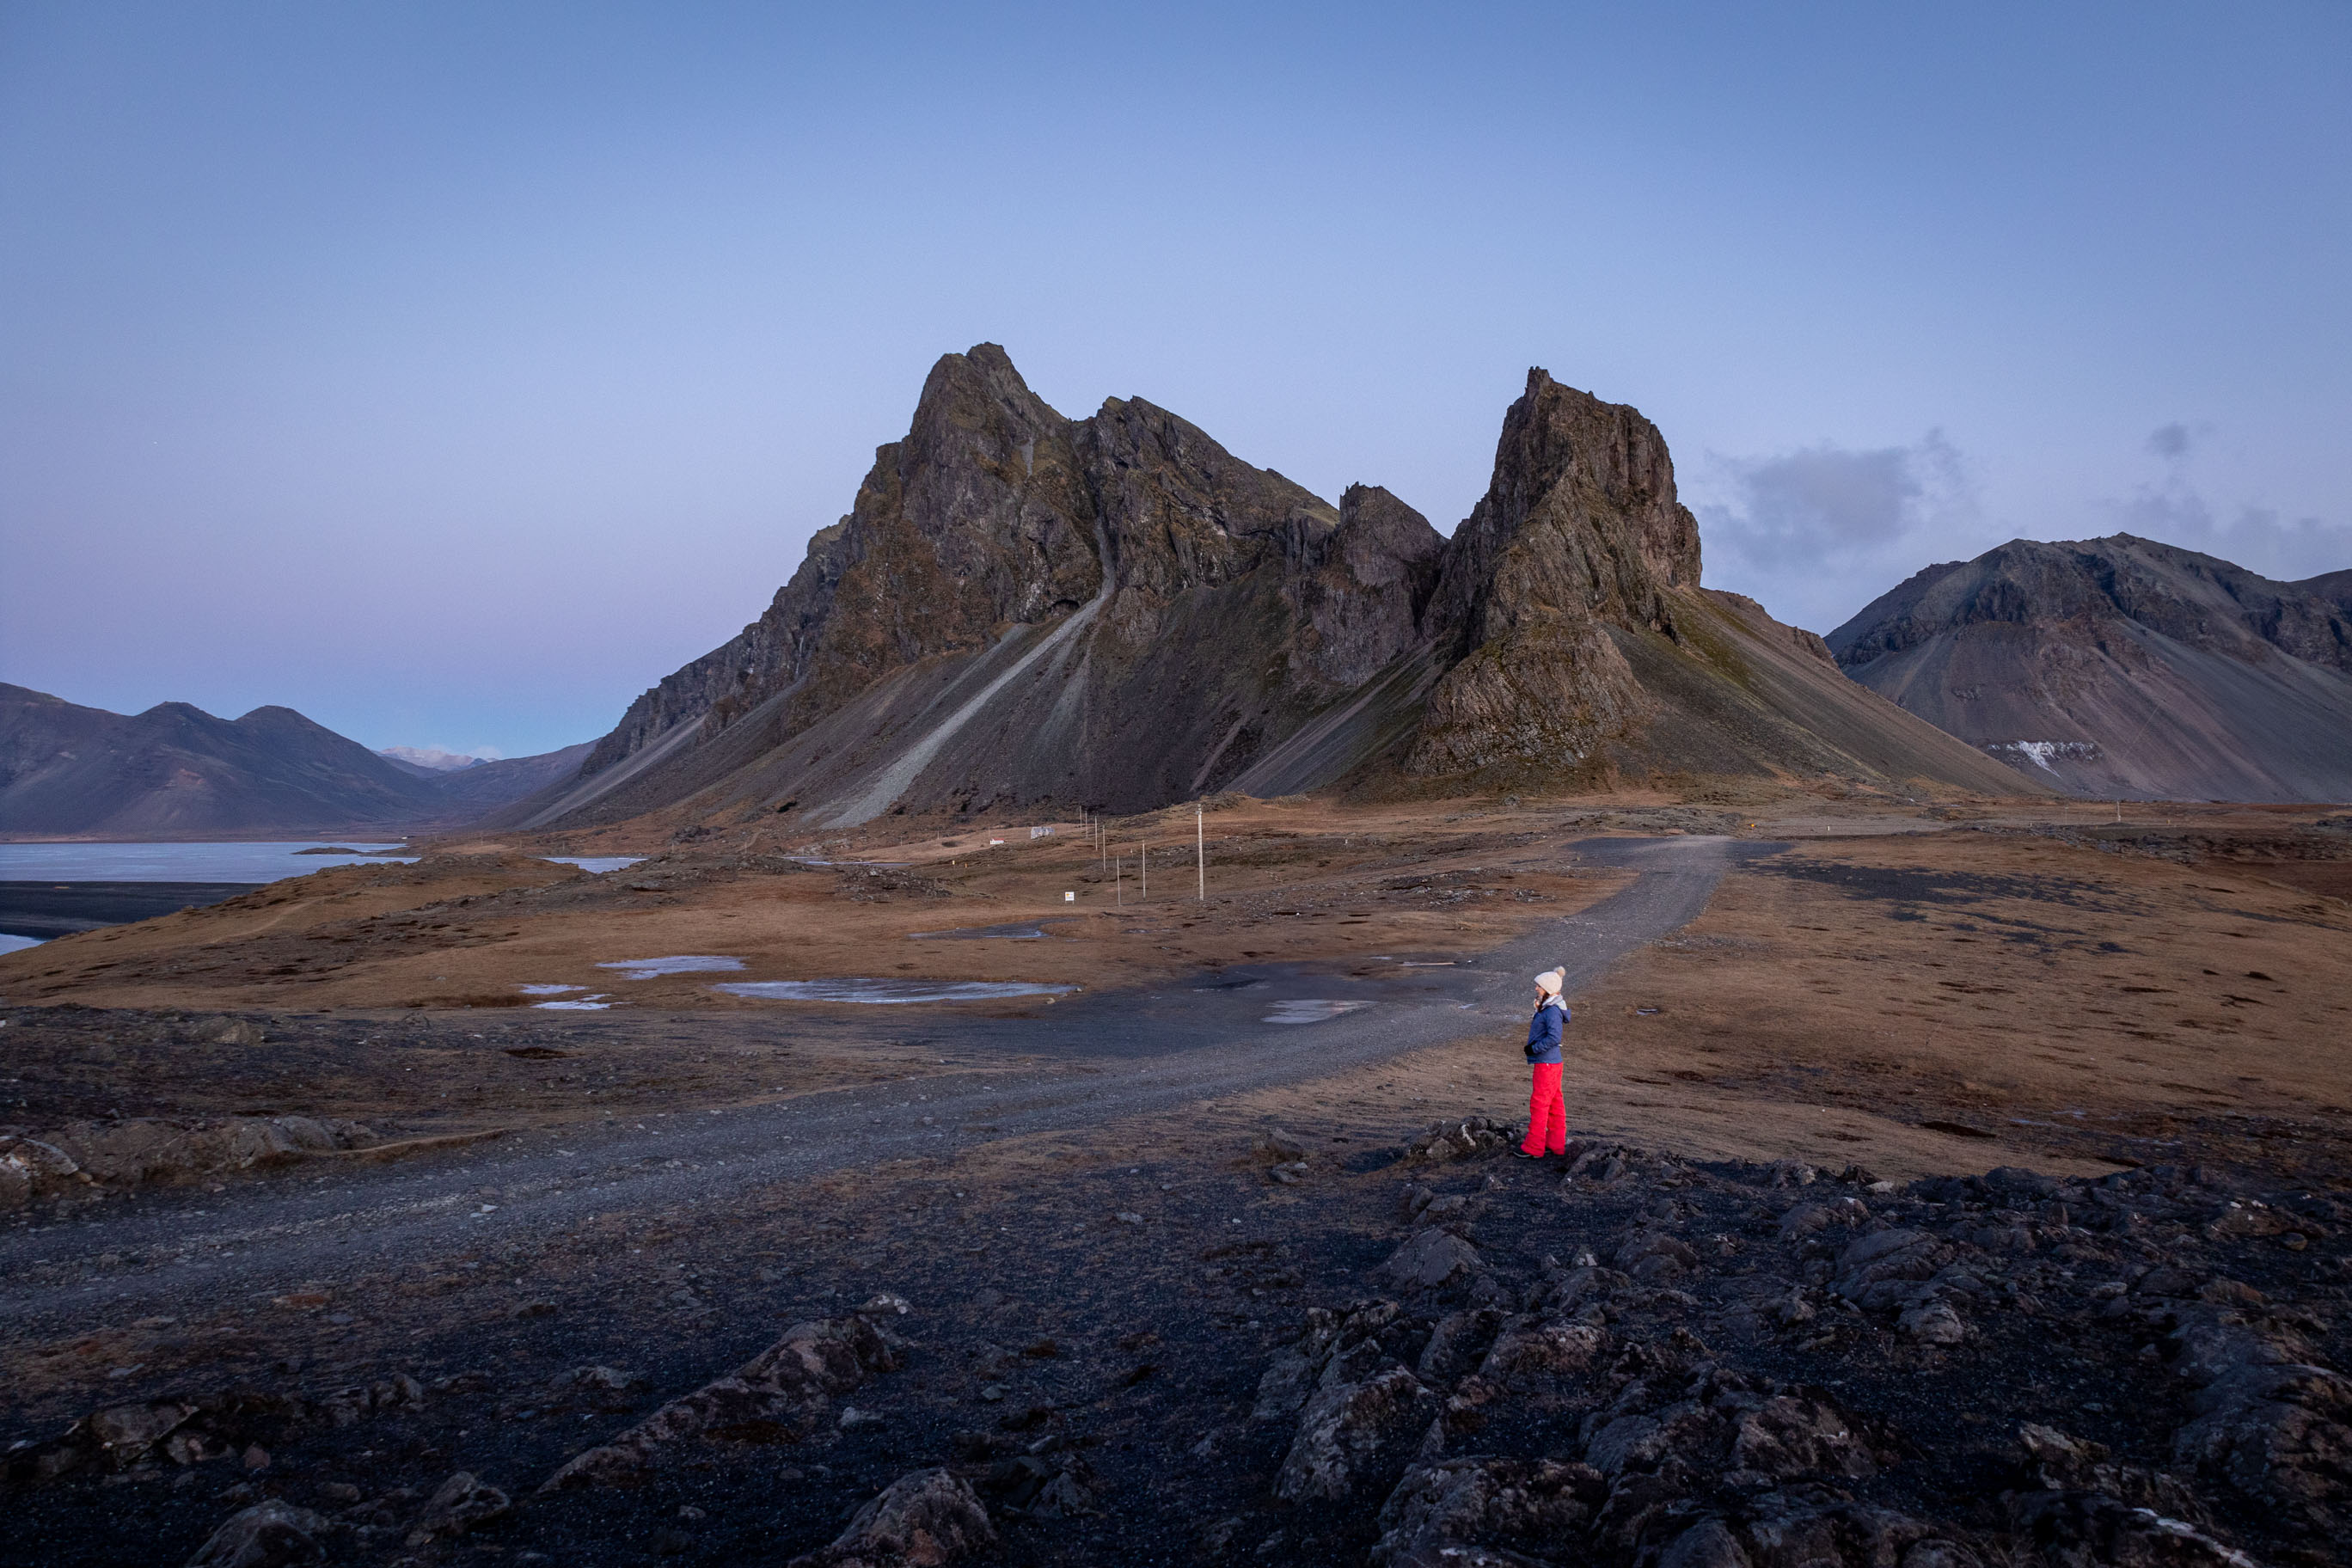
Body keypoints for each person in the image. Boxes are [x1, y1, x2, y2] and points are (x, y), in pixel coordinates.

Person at [1516, 967, 1570, 1159]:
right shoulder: (1550, 1008)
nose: (1536, 989)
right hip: (1552, 1063)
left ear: (1547, 989)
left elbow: (1554, 1037)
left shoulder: (1551, 1011)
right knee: (1555, 1102)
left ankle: (1534, 1147)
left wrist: (1534, 1048)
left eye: (1539, 986)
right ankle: (1555, 1144)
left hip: (1546, 1064)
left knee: (1539, 1104)